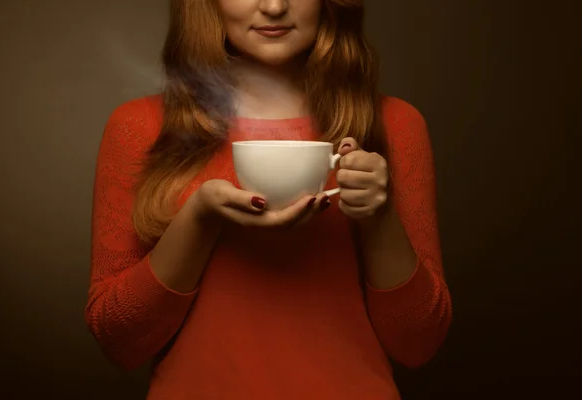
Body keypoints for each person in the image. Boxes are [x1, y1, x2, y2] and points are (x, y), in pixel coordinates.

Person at [85, 0, 452, 398]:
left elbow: (419, 343)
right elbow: (118, 340)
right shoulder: (140, 128)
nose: (274, 6)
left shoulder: (394, 125)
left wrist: (379, 217)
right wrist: (198, 220)